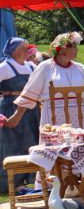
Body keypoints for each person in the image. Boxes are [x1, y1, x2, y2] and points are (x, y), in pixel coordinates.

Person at [10, 32, 84, 134]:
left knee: (81, 142)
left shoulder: (80, 68)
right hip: (54, 117)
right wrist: (17, 115)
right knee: (56, 144)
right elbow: (30, 91)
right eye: (74, 46)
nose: (77, 49)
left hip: (79, 116)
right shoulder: (45, 67)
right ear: (62, 49)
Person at [0, 38, 40, 195]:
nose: (26, 49)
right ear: (13, 50)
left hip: (31, 109)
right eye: (23, 47)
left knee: (31, 142)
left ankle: (30, 180)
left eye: (26, 47)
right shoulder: (4, 67)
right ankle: (12, 184)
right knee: (12, 145)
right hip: (10, 108)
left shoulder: (31, 66)